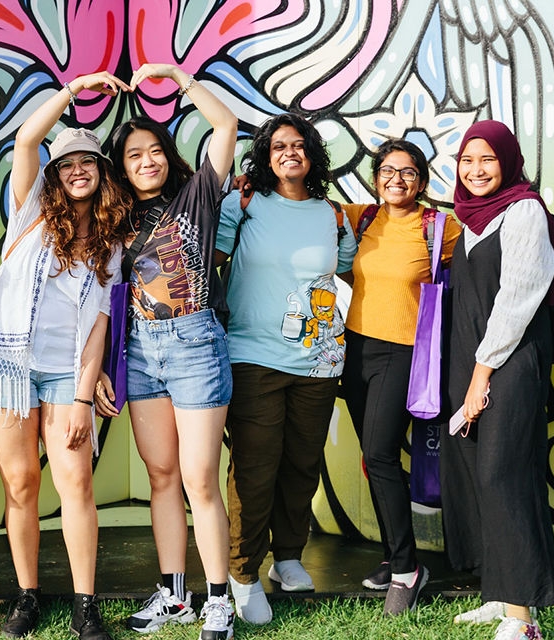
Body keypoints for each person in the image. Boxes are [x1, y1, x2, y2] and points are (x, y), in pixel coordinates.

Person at [0, 71, 131, 640]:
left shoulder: (113, 238)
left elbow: (101, 322)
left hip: (67, 373)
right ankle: (28, 595)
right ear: (55, 175)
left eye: (86, 162)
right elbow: (25, 141)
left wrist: (84, 394)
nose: (76, 170)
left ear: (101, 173)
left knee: (76, 485)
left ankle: (87, 605)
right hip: (7, 368)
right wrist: (74, 88)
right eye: (67, 165)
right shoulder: (30, 209)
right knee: (20, 485)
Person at [94, 63, 238, 640]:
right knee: (161, 477)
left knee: (200, 478)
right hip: (141, 353)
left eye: (154, 151)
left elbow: (225, 125)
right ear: (121, 167)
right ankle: (175, 596)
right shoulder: (113, 220)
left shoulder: (197, 197)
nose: (147, 161)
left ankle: (219, 599)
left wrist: (178, 78)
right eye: (134, 155)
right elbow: (104, 299)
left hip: (195, 344)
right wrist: (105, 367)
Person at [214, 112, 357, 625]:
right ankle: (243, 573)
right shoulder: (245, 203)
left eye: (298, 145)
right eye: (278, 146)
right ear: (266, 155)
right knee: (254, 467)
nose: (289, 153)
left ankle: (289, 557)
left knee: (301, 463)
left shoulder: (332, 215)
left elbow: (345, 270)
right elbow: (207, 258)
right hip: (252, 356)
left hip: (319, 361)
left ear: (312, 155)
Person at [442, 120, 554, 640]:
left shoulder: (525, 211)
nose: (476, 170)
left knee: (503, 476)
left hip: (507, 365)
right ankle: (501, 592)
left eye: (487, 159)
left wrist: (481, 376)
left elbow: (516, 301)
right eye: (467, 160)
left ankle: (523, 619)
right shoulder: (467, 219)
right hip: (472, 364)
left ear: (508, 160)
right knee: (474, 473)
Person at [341, 140, 461, 615]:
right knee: (376, 460)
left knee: (380, 454)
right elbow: (305, 203)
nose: (397, 180)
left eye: (408, 173)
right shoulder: (362, 217)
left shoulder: (439, 227)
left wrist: (548, 234)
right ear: (376, 178)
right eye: (388, 171)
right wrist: (249, 187)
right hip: (354, 348)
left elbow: (494, 239)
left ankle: (409, 569)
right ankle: (393, 555)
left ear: (423, 181)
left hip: (403, 353)